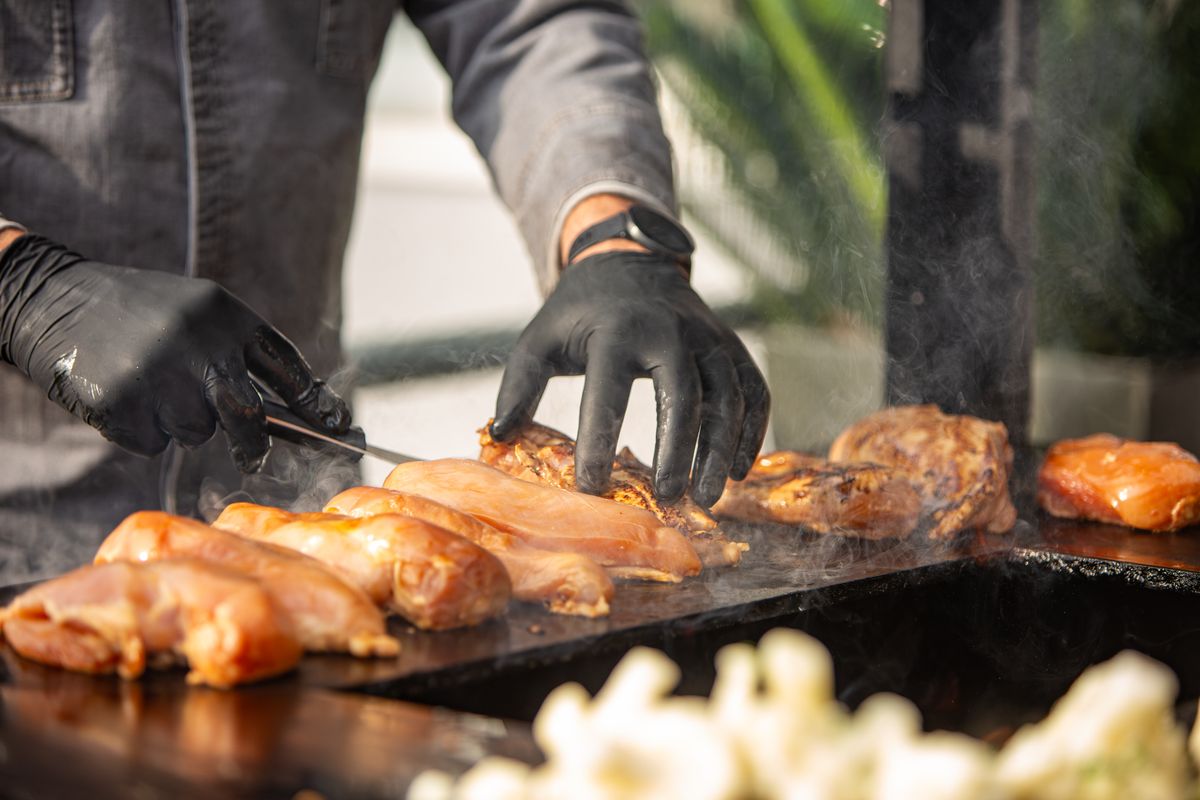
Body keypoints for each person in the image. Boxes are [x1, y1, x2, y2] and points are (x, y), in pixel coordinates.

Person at [0, 1, 768, 583]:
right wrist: (21, 283)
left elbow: (529, 21)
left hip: (325, 537)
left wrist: (614, 237)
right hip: (22, 536)